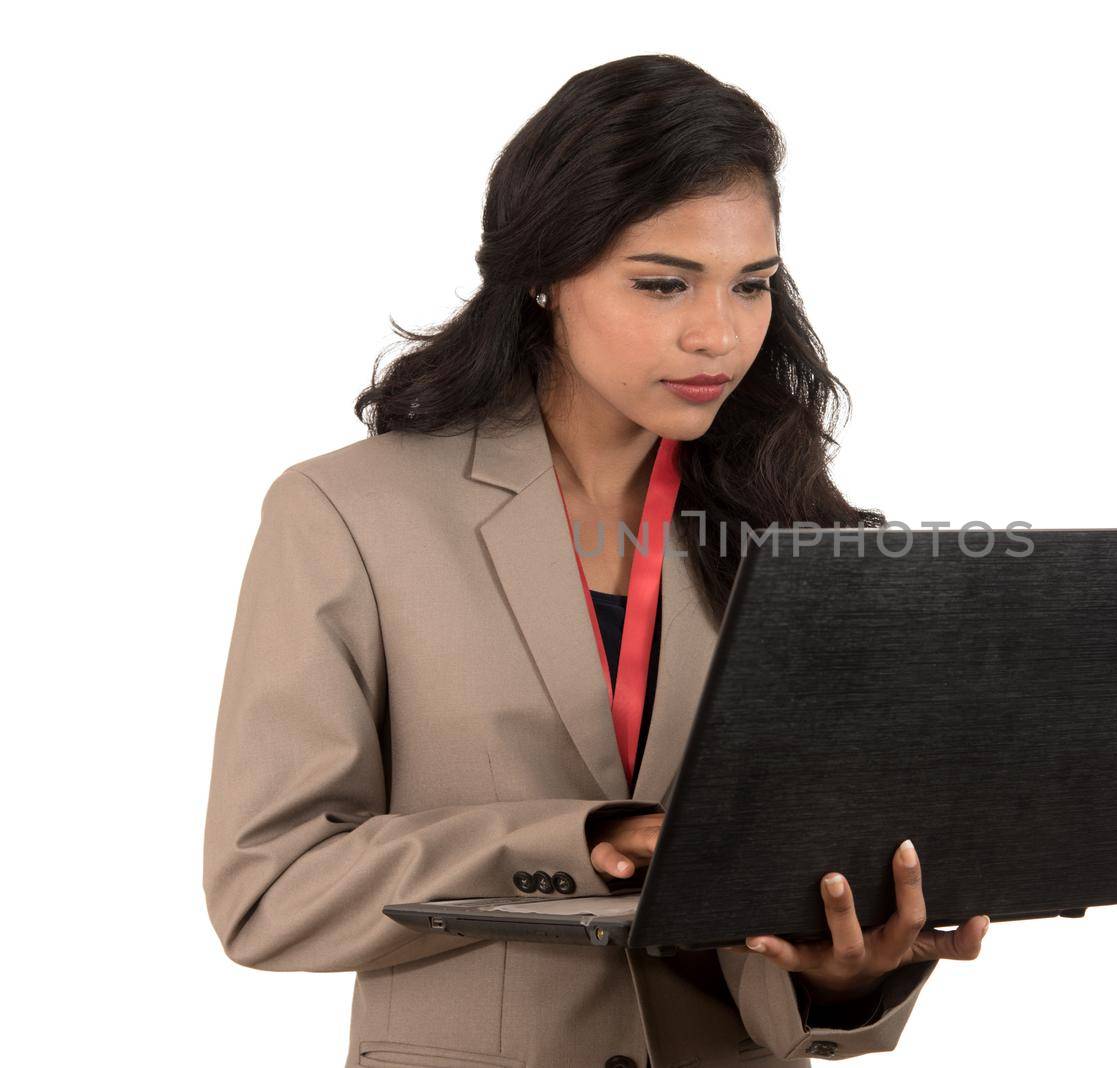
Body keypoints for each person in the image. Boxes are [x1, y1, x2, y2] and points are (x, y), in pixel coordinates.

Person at [202, 54, 989, 1068]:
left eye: (751, 285)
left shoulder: (798, 530)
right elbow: (270, 892)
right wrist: (588, 845)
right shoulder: (347, 515)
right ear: (541, 274)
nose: (718, 333)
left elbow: (801, 907)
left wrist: (847, 974)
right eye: (663, 284)